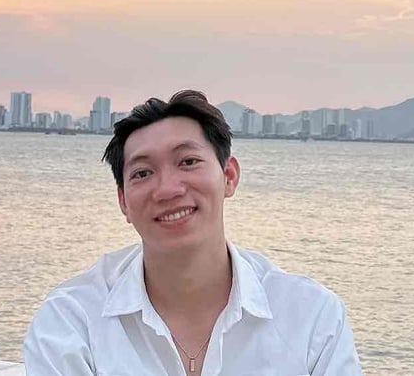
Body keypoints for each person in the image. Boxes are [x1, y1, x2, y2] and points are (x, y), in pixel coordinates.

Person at [24, 90, 362, 376]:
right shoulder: (72, 320)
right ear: (123, 201)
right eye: (142, 173)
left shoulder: (310, 318)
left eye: (188, 162)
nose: (167, 189)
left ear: (229, 176)